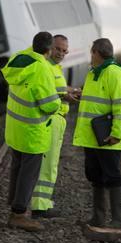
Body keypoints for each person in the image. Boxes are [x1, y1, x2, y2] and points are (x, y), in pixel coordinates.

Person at [1, 32, 62, 232]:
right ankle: (19, 214)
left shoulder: (18, 59)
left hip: (15, 128)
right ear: (49, 49)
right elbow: (49, 105)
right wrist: (60, 100)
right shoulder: (42, 69)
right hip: (33, 131)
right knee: (29, 173)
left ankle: (14, 206)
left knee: (17, 168)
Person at [73, 37, 121, 228]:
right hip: (92, 137)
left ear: (97, 53)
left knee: (112, 175)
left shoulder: (115, 73)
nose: (90, 56)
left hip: (108, 137)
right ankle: (98, 218)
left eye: (91, 52)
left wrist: (117, 134)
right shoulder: (94, 73)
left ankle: (118, 221)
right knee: (95, 175)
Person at [30, 34, 80, 219]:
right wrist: (65, 95)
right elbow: (46, 91)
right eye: (58, 49)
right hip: (50, 119)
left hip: (56, 120)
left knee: (50, 165)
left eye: (64, 50)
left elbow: (55, 88)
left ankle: (42, 203)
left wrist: (70, 90)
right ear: (50, 47)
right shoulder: (46, 66)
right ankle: (40, 207)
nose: (61, 53)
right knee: (47, 165)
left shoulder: (54, 67)